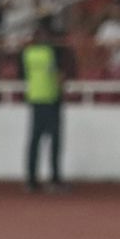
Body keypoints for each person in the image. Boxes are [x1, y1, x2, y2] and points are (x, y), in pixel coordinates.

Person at [21, 19, 73, 193]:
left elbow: (23, 75)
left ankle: (31, 180)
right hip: (52, 98)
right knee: (55, 141)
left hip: (35, 98)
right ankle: (54, 179)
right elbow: (60, 75)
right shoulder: (52, 52)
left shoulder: (28, 53)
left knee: (34, 141)